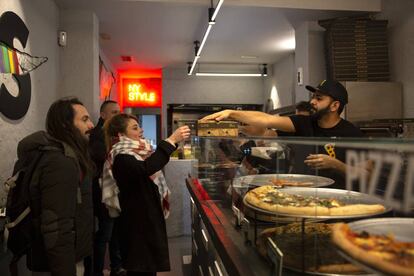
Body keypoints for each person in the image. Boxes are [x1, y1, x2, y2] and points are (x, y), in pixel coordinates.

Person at [201, 80, 365, 189]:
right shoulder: (303, 123)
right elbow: (266, 120)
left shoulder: (352, 133)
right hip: (306, 196)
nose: (312, 102)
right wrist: (231, 114)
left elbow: (367, 175)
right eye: (313, 97)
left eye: (319, 98)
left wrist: (336, 164)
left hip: (338, 201)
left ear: (335, 105)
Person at [103, 113, 190, 276]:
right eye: (135, 128)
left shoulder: (136, 153)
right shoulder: (121, 155)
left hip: (143, 221)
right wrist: (171, 140)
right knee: (141, 267)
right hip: (136, 223)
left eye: (139, 127)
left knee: (146, 267)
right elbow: (147, 168)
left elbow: (150, 165)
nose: (141, 131)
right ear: (121, 135)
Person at [17, 97, 94, 275]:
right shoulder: (60, 162)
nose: (91, 125)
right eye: (84, 120)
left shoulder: (68, 156)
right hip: (61, 263)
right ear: (66, 125)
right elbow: (57, 224)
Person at [89, 100, 125, 276]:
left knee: (115, 231)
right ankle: (97, 271)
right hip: (103, 192)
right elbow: (102, 158)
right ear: (103, 115)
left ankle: (116, 267)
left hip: (113, 190)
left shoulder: (113, 134)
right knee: (105, 233)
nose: (118, 115)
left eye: (119, 112)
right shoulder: (97, 135)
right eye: (114, 112)